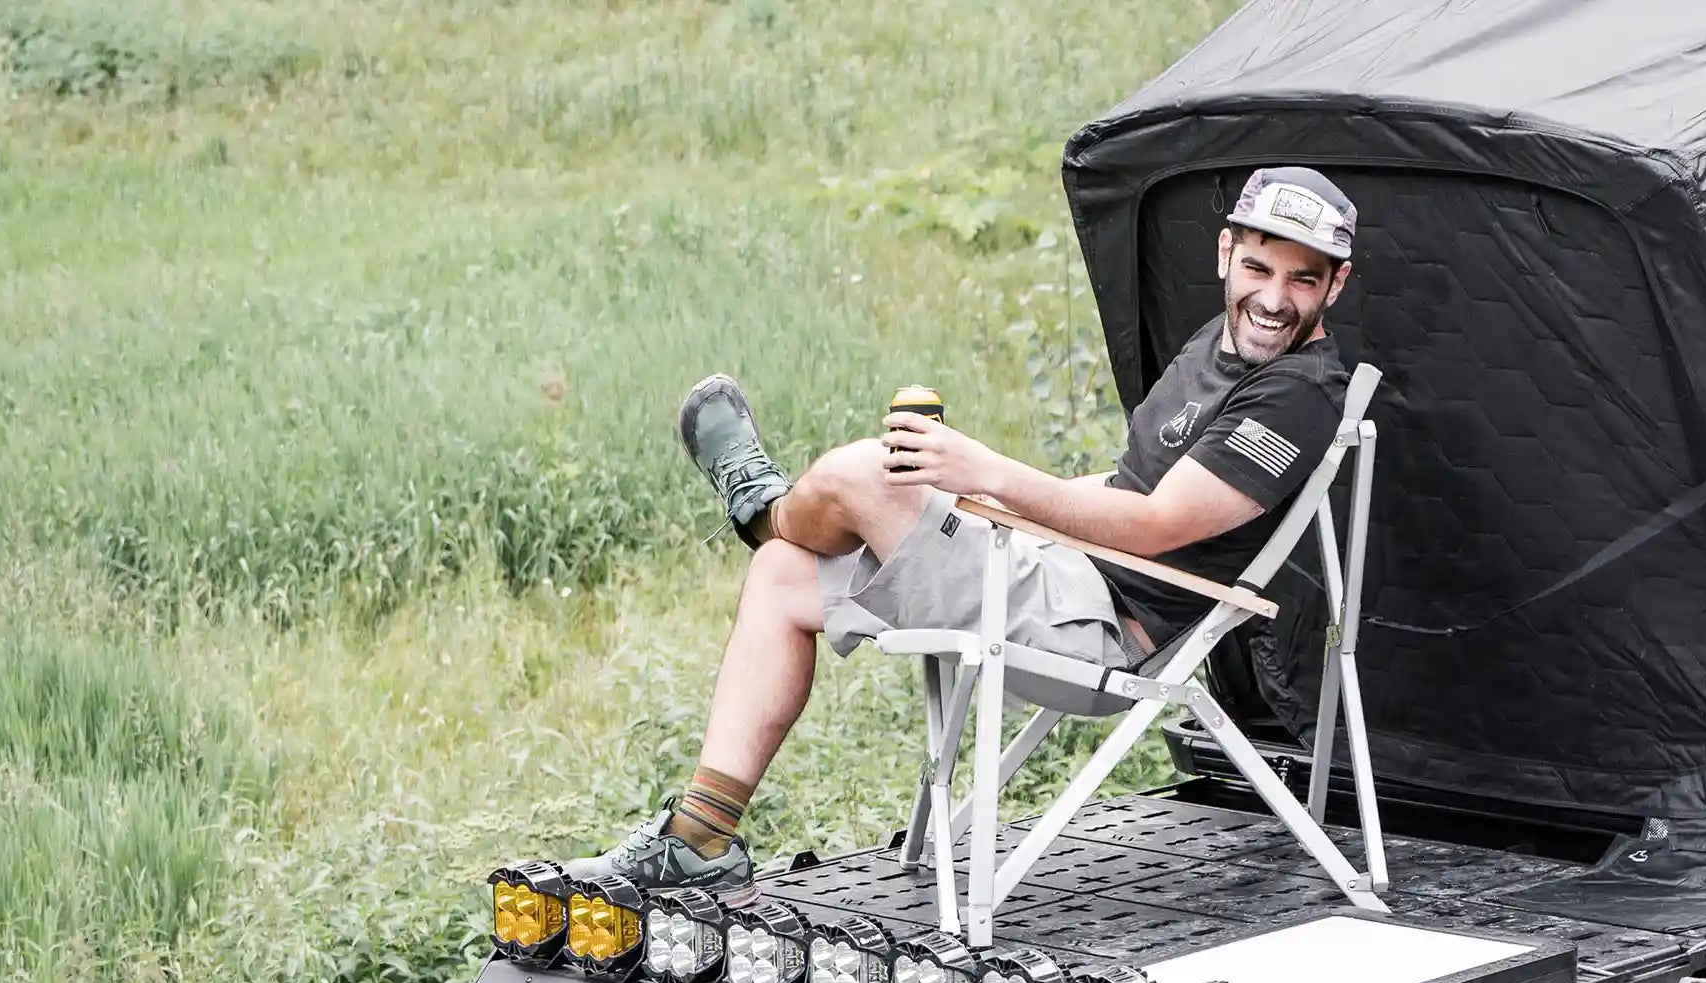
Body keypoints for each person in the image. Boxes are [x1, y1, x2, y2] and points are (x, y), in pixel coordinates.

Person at [562, 166, 1360, 894]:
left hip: (1096, 633)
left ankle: (762, 503)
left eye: (1303, 280)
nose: (1274, 298)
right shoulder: (1218, 345)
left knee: (860, 476)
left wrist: (984, 471)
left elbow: (1153, 526)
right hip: (1063, 571)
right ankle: (702, 834)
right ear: (1226, 255)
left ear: (1336, 285)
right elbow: (1127, 486)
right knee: (781, 575)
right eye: (1259, 268)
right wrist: (1006, 508)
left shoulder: (1295, 395)